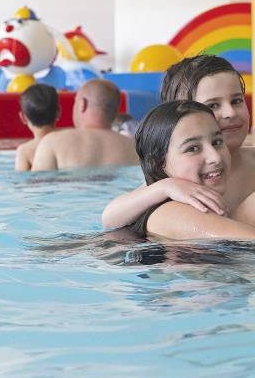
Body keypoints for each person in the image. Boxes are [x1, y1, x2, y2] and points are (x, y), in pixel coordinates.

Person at [102, 55, 255, 228]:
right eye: (212, 106)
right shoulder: (177, 177)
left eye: (236, 101)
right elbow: (110, 219)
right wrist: (165, 187)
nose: (231, 113)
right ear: (179, 114)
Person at [128, 100, 255, 240]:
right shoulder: (172, 214)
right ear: (158, 163)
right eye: (193, 148)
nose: (215, 157)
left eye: (217, 142)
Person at [32, 79, 139, 171]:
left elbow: (38, 190)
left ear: (82, 104)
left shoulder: (52, 142)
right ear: (116, 110)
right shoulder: (135, 148)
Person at [15, 83, 59, 171]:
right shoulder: (68, 141)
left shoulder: (25, 151)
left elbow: (21, 181)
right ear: (58, 112)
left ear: (23, 117)